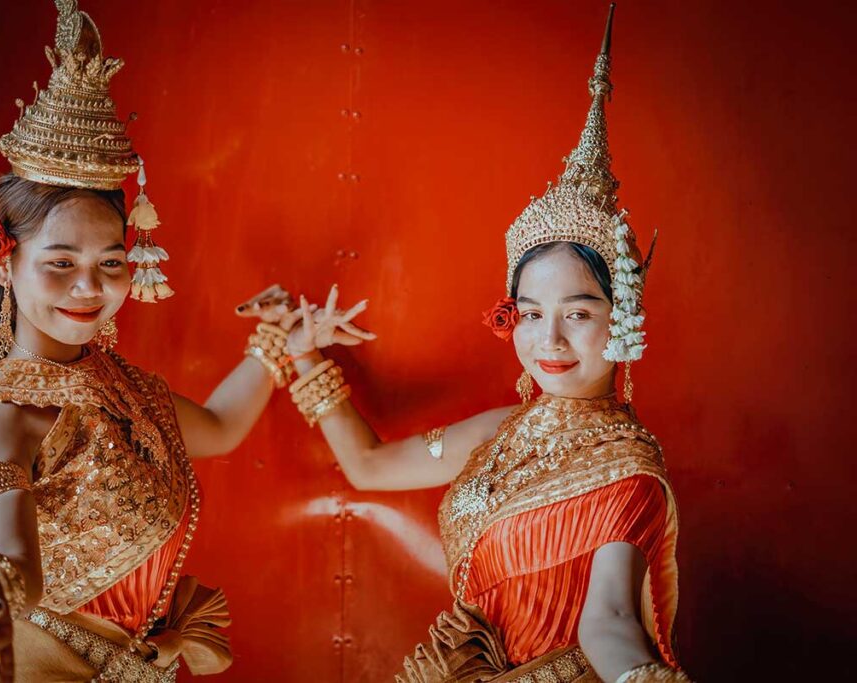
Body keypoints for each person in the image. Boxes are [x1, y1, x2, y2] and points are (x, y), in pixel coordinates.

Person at [0, 2, 369, 681]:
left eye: (110, 263)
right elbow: (11, 563)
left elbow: (216, 426)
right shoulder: (2, 418)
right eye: (60, 263)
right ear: (3, 260)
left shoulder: (116, 384)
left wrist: (282, 339)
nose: (88, 289)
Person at [282, 6, 691, 682]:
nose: (548, 339)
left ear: (621, 319)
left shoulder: (629, 472)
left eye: (578, 312)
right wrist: (301, 355)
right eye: (529, 313)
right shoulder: (499, 433)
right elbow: (371, 467)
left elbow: (610, 621)